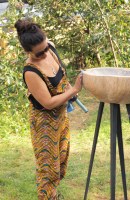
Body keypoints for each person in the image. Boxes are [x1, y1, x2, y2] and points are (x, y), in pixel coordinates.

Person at [15, 18, 82, 200]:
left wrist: (68, 88)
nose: (45, 53)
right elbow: (48, 103)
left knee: (60, 162)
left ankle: (53, 196)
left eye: (46, 48)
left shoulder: (49, 47)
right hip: (44, 123)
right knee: (48, 169)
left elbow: (61, 75)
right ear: (27, 51)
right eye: (39, 53)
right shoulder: (31, 71)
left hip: (60, 118)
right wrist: (74, 90)